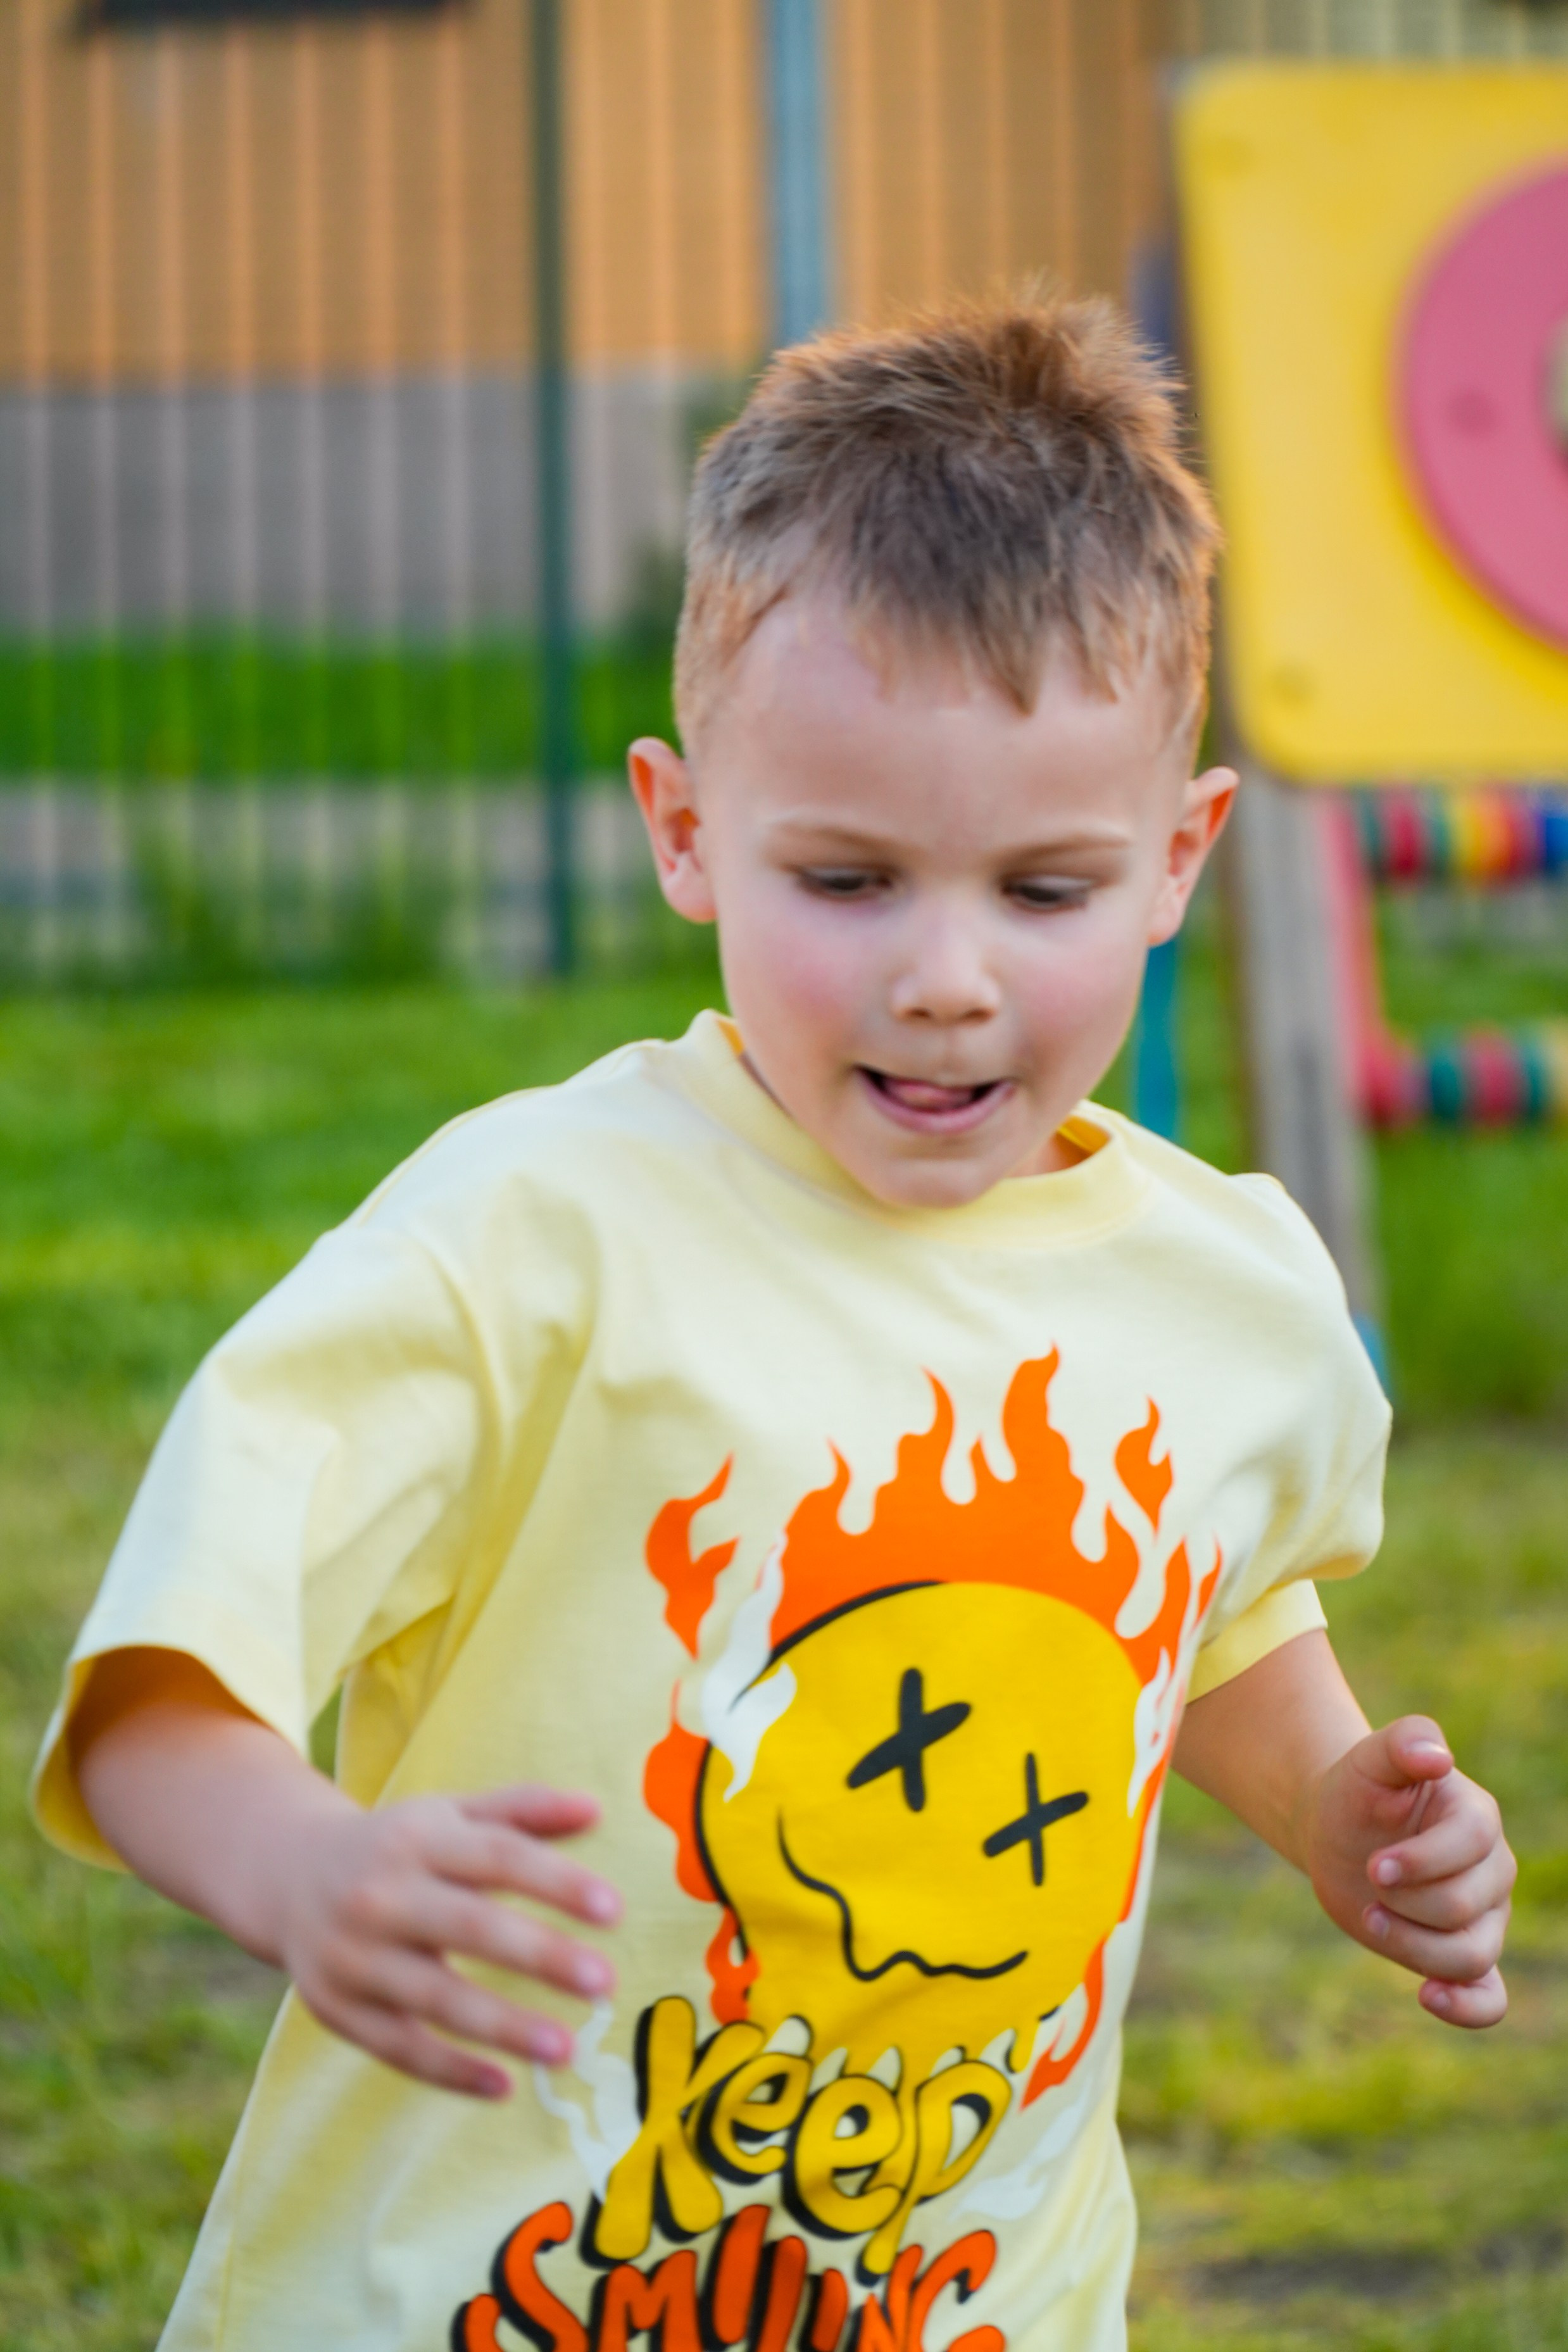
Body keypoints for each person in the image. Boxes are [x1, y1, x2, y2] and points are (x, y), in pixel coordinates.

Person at [33, 296, 1513, 2352]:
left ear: (1178, 862)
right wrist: (301, 1869)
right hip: (469, 2296)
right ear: (683, 827)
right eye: (847, 877)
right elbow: (171, 1660)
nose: (946, 977)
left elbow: (1212, 1606)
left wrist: (1339, 1801)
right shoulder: (533, 1238)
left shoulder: (1233, 1291)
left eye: (1044, 889)